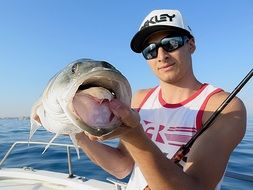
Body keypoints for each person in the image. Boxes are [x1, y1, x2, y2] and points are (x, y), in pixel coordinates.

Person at [75, 9, 246, 190]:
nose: (161, 55)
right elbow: (122, 167)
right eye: (150, 50)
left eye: (171, 43)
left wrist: (133, 134)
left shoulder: (225, 108)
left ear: (191, 44)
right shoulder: (140, 99)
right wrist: (76, 132)